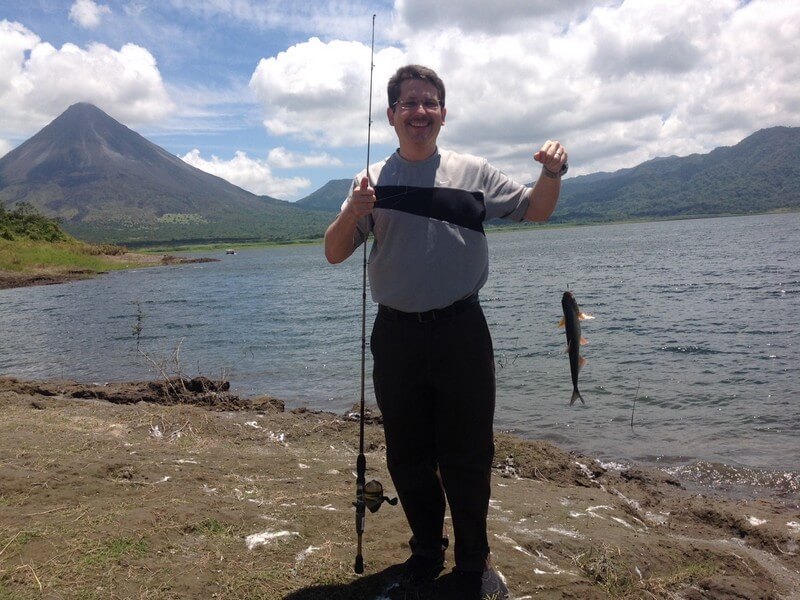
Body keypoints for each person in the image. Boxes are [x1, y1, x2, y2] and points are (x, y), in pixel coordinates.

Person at [324, 64, 567, 600]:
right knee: (407, 454)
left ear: (443, 113)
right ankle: (426, 554)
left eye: (429, 102)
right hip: (396, 337)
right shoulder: (371, 183)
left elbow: (537, 212)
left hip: (462, 331)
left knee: (468, 453)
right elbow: (335, 251)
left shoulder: (474, 172)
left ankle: (473, 564)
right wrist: (353, 215)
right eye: (408, 103)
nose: (419, 112)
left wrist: (552, 173)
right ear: (391, 115)